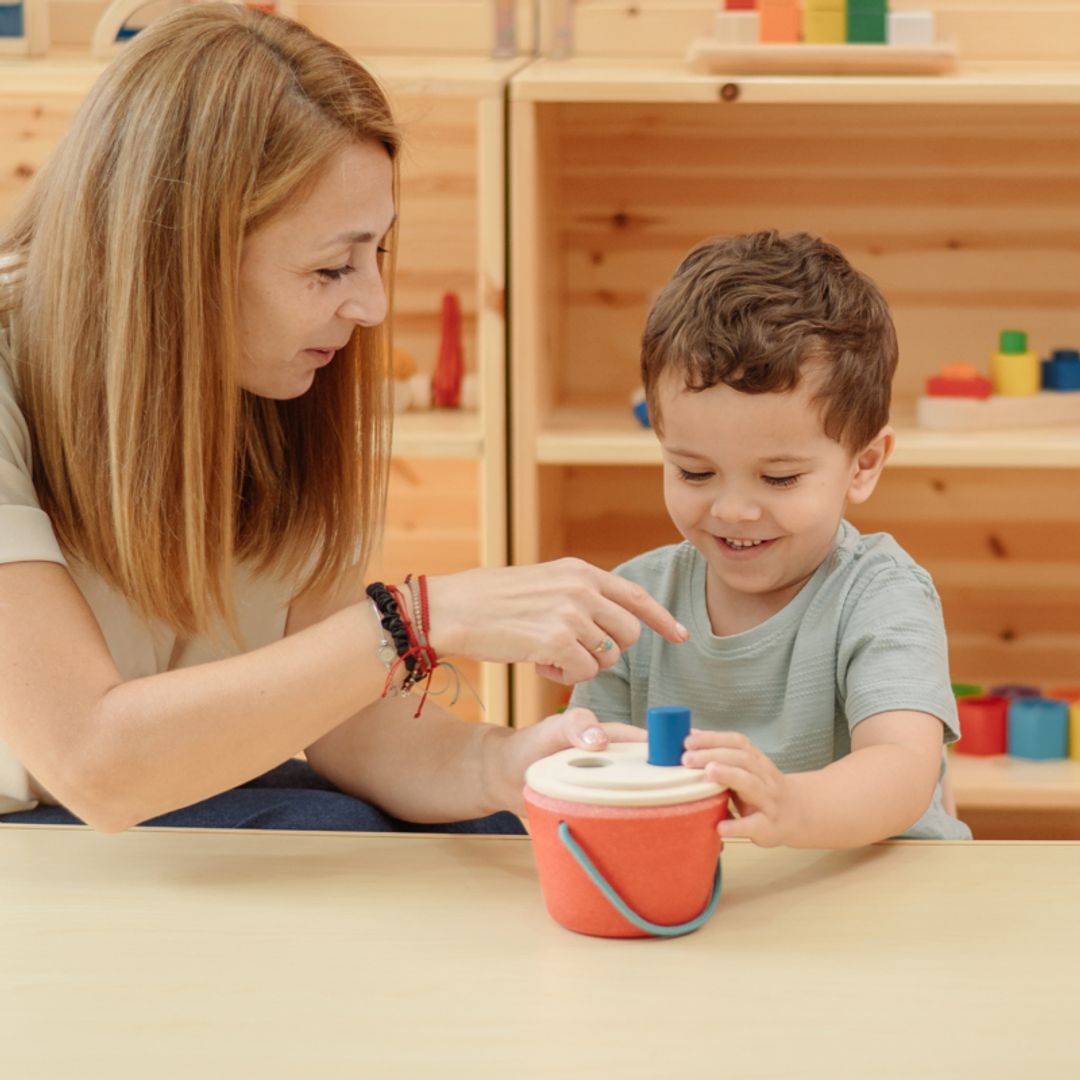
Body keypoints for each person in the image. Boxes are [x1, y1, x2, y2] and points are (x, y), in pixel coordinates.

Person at [0, 4, 683, 833]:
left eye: (376, 253)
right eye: (330, 267)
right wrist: (421, 620)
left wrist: (506, 763)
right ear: (180, 253)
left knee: (501, 827)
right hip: (57, 822)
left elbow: (347, 719)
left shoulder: (275, 381)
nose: (371, 305)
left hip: (156, 799)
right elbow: (94, 764)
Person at [570, 229, 972, 845]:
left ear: (863, 465)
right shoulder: (633, 604)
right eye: (694, 472)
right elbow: (589, 766)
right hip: (706, 905)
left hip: (883, 904)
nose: (732, 510)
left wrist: (791, 806)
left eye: (779, 478)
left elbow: (903, 766)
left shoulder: (882, 594)